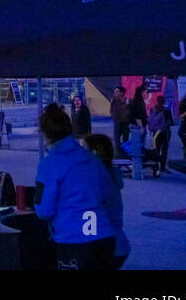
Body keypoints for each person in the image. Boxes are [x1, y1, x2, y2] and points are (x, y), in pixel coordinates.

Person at [35, 104, 117, 270]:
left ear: (45, 133)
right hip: (103, 235)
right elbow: (109, 192)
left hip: (72, 239)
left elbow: (44, 210)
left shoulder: (49, 165)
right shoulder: (91, 159)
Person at [85, 133, 131, 268]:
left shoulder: (98, 180)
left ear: (94, 153)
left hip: (105, 246)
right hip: (118, 244)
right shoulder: (110, 174)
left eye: (83, 150)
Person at [147, 94, 173, 170]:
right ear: (164, 101)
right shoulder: (167, 111)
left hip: (156, 132)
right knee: (164, 150)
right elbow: (171, 122)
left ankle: (156, 166)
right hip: (165, 132)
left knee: (156, 149)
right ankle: (163, 167)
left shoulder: (153, 109)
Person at [110, 86, 130, 157]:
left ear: (122, 93)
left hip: (126, 123)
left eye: (117, 91)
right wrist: (113, 117)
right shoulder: (113, 100)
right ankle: (118, 155)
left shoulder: (127, 100)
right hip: (117, 122)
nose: (115, 93)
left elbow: (129, 111)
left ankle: (125, 155)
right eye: (115, 91)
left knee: (125, 140)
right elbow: (111, 110)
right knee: (116, 140)